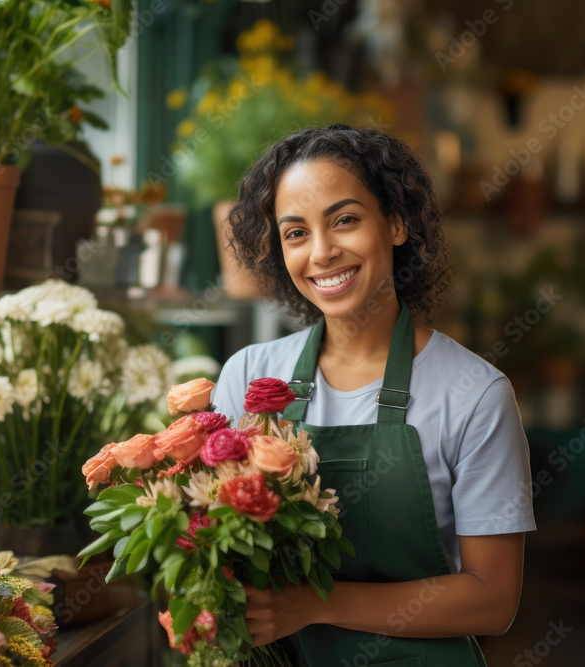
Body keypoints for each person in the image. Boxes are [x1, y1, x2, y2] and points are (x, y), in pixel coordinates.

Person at [209, 124, 536, 666]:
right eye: (295, 233)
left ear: (397, 223)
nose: (322, 252)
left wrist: (314, 604)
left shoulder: (474, 395)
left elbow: (493, 600)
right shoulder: (249, 374)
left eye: (345, 220)